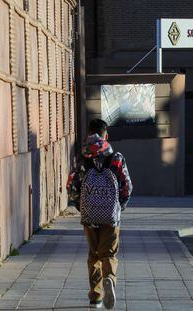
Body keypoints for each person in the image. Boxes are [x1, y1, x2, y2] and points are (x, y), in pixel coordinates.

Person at [67, 119, 132, 309]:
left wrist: (82, 206)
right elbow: (127, 186)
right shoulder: (116, 158)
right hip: (111, 216)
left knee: (93, 254)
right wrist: (119, 206)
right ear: (106, 136)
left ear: (89, 134)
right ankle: (109, 279)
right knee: (109, 253)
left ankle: (95, 297)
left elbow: (72, 186)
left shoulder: (82, 158)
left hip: (89, 217)